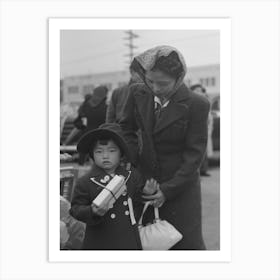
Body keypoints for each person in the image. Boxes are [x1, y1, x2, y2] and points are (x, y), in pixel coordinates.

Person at [120, 45, 210, 250]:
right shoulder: (138, 93)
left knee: (184, 244)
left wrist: (168, 190)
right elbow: (126, 129)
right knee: (145, 242)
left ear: (179, 78)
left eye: (163, 83)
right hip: (145, 183)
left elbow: (194, 155)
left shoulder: (197, 104)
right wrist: (133, 164)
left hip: (181, 186)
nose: (156, 88)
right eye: (150, 81)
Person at [70, 123, 143, 250]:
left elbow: (138, 202)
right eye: (99, 151)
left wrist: (148, 193)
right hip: (99, 240)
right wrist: (92, 212)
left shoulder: (132, 177)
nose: (105, 156)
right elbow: (75, 209)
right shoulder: (85, 182)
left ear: (121, 153)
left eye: (112, 150)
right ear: (92, 154)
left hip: (127, 239)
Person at [190, 84, 214, 176]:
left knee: (204, 152)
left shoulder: (205, 101)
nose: (200, 92)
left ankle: (203, 170)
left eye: (201, 90)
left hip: (206, 130)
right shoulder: (191, 101)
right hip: (196, 132)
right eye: (197, 90)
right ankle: (197, 172)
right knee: (196, 152)